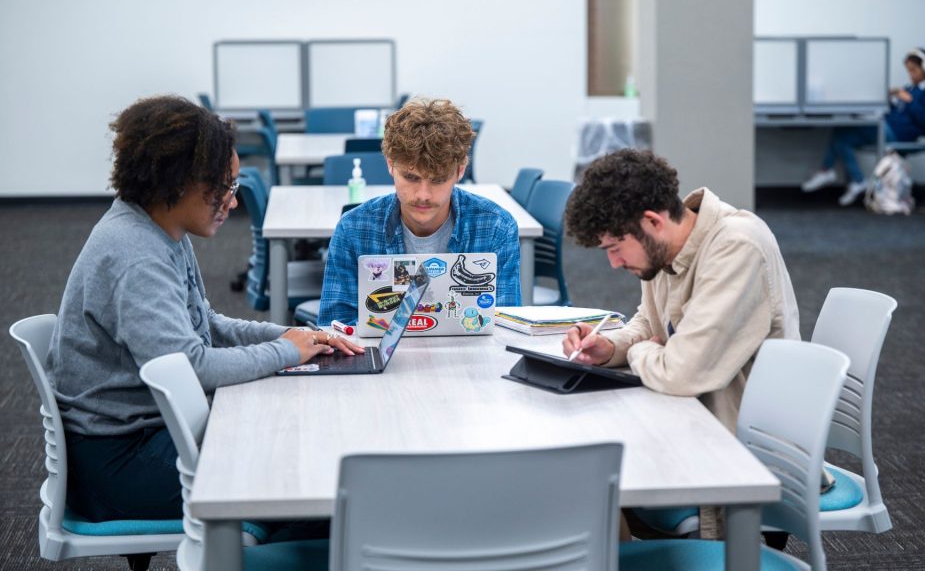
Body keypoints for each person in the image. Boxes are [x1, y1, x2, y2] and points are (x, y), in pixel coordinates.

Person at [47, 95, 363, 522]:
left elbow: (205, 324)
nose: (233, 201)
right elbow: (192, 366)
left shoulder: (161, 229)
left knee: (298, 441)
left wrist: (295, 339)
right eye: (225, 186)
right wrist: (287, 351)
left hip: (149, 430)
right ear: (178, 180)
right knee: (300, 473)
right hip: (119, 461)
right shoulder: (136, 255)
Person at [561, 149, 800, 539]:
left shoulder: (737, 247)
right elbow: (650, 323)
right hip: (688, 431)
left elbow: (680, 372)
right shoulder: (664, 251)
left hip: (741, 464)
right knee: (578, 468)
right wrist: (612, 346)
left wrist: (642, 352)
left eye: (614, 248)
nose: (614, 264)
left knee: (587, 483)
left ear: (652, 221)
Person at [318, 98, 521, 326]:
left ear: (461, 170)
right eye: (411, 178)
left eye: (438, 180)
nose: (423, 195)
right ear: (390, 164)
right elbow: (333, 329)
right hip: (380, 359)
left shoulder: (496, 227)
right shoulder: (353, 229)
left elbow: (506, 329)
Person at [802, 47, 925, 206]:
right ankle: (855, 180)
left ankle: (828, 171)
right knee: (842, 137)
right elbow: (897, 111)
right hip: (888, 126)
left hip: (899, 133)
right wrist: (891, 99)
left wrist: (909, 101)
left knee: (850, 130)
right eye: (909, 71)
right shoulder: (910, 88)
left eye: (914, 70)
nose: (911, 75)